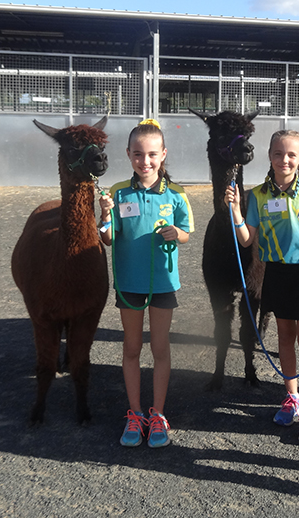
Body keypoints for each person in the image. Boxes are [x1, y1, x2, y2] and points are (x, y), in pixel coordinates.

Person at [224, 129, 299, 443]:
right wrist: (235, 212)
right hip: (277, 275)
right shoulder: (257, 196)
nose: (284, 159)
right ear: (269, 156)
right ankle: (292, 398)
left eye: (291, 155)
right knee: (285, 337)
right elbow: (247, 239)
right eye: (277, 153)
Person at [98, 118, 193, 448]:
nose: (145, 161)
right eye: (138, 154)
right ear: (128, 154)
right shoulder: (117, 192)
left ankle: (158, 414)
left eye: (152, 154)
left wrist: (176, 233)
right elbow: (109, 239)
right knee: (132, 348)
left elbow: (186, 233)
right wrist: (105, 216)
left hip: (163, 283)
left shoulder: (177, 194)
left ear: (163, 154)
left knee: (160, 348)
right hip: (129, 283)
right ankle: (135, 413)